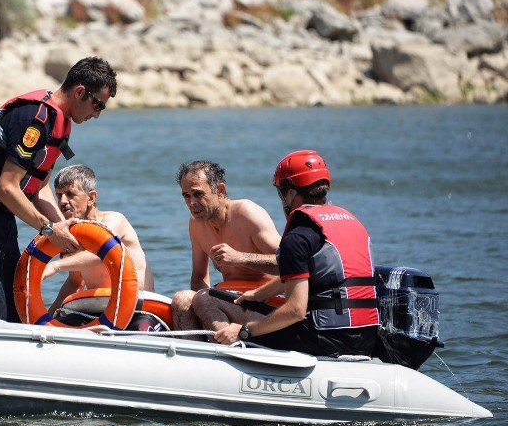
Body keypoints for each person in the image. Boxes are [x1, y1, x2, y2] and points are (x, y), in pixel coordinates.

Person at [0, 57, 117, 322]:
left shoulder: (61, 123)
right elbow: (7, 188)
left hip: (1, 219)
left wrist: (68, 229)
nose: (97, 114)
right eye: (98, 105)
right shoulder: (34, 120)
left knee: (17, 312)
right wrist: (49, 230)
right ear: (80, 92)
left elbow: (40, 187)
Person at [213, 150, 380, 357]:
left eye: (282, 192)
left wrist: (245, 331)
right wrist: (258, 294)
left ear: (291, 193)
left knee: (208, 300)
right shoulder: (352, 223)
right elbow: (309, 274)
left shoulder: (298, 237)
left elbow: (295, 310)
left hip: (325, 339)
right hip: (367, 339)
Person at [168, 160, 281, 333]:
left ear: (220, 190)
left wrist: (240, 258)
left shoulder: (247, 214)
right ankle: (202, 353)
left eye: (198, 194)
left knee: (204, 299)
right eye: (186, 196)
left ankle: (228, 347)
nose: (192, 203)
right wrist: (202, 312)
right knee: (182, 300)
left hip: (268, 304)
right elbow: (199, 277)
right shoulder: (197, 224)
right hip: (231, 302)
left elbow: (291, 264)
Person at [41, 164, 155, 314]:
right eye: (59, 195)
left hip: (139, 307)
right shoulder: (73, 234)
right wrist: (46, 320)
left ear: (91, 198)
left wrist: (54, 266)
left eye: (70, 194)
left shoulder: (114, 220)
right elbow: (75, 283)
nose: (62, 201)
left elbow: (101, 252)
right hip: (98, 309)